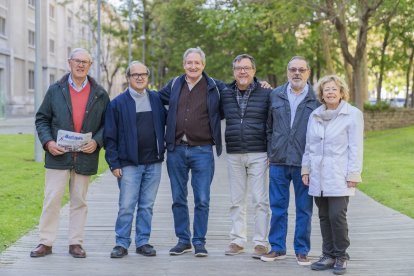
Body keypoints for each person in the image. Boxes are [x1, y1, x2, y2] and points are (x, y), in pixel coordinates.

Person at [31, 48, 109, 258]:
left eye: (85, 62)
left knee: (79, 202)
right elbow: (42, 119)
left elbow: (107, 124)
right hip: (58, 156)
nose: (81, 65)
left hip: (85, 156)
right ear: (69, 62)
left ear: (90, 65)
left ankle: (76, 243)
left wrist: (97, 141)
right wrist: (48, 142)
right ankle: (45, 242)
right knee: (52, 199)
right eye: (77, 61)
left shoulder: (100, 93)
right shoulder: (56, 89)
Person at [159, 47, 224, 257]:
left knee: (202, 198)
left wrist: (262, 84)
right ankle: (183, 240)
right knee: (178, 197)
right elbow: (155, 99)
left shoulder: (214, 86)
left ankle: (199, 241)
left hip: (202, 151)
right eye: (189, 63)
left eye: (197, 63)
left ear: (203, 65)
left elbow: (239, 88)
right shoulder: (175, 84)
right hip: (176, 150)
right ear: (184, 64)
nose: (193, 66)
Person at [104, 61, 167, 258]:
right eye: (135, 75)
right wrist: (114, 163)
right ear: (128, 78)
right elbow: (109, 137)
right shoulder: (117, 104)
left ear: (148, 77)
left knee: (147, 205)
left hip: (153, 163)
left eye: (143, 74)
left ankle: (143, 242)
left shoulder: (156, 99)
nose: (139, 78)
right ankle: (121, 243)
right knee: (126, 205)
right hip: (128, 164)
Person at [302, 75, 363, 275]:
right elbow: (309, 146)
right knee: (324, 216)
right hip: (318, 176)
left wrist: (354, 173)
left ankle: (341, 255)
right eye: (326, 89)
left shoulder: (352, 114)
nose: (330, 92)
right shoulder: (315, 115)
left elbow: (356, 147)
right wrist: (306, 169)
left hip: (339, 175)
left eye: (333, 89)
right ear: (321, 93)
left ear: (341, 92)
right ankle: (327, 255)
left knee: (337, 215)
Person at [261, 56, 320, 265]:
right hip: (278, 160)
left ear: (308, 72)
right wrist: (270, 150)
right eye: (293, 69)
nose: (297, 73)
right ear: (287, 72)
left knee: (304, 208)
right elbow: (268, 127)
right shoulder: (275, 95)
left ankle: (302, 250)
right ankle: (277, 247)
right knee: (278, 206)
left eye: (301, 70)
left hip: (304, 164)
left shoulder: (316, 99)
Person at [220, 54, 271, 258]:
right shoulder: (224, 93)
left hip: (259, 152)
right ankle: (237, 240)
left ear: (254, 71)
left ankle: (260, 242)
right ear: (233, 72)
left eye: (247, 68)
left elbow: (272, 123)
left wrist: (272, 150)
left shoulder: (267, 93)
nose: (243, 71)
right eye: (239, 68)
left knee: (260, 200)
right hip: (234, 153)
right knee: (236, 200)